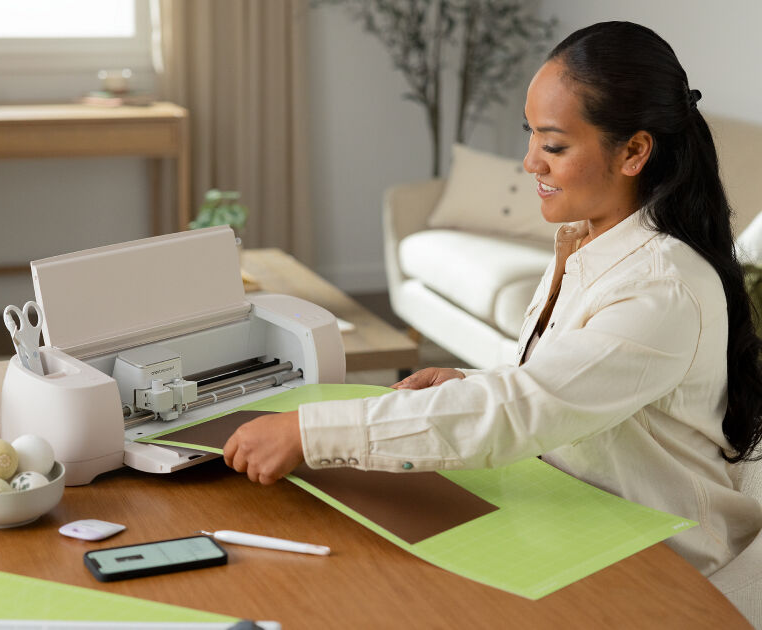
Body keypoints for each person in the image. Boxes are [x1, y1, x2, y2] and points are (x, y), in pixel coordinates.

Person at [223, 21, 762, 576]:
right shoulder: (592, 243)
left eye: (553, 144)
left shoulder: (661, 288)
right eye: (530, 135)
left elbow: (524, 410)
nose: (530, 162)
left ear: (634, 152)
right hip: (584, 519)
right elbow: (565, 389)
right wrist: (475, 383)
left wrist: (310, 432)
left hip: (661, 562)